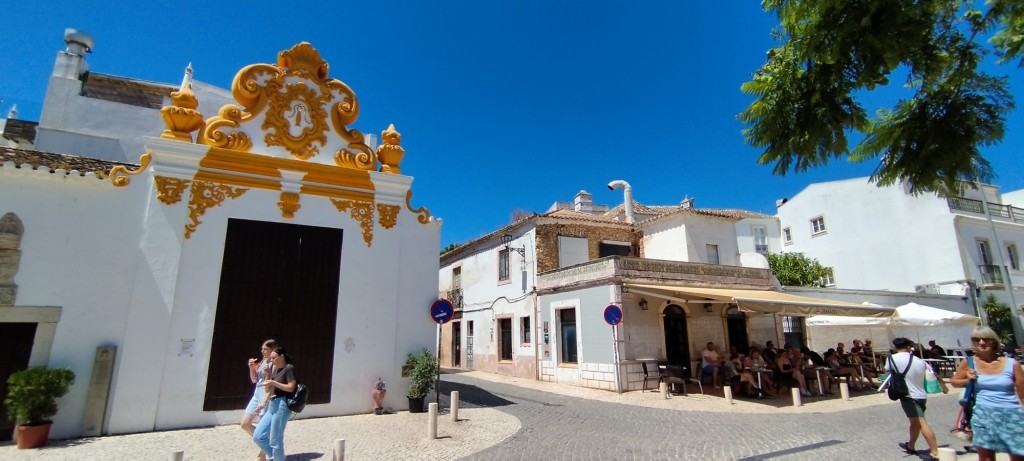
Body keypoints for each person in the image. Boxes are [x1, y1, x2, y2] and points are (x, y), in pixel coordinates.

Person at [950, 326, 1024, 460]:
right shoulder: (969, 362)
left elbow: (1023, 395)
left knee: (1018, 456)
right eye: (977, 340)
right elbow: (954, 381)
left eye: (986, 339)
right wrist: (967, 379)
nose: (982, 343)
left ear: (994, 341)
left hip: (1011, 415)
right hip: (983, 415)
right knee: (986, 458)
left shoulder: (1012, 364)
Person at [887, 337, 949, 461]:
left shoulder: (892, 359)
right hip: (921, 395)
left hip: (909, 396)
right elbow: (933, 373)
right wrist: (944, 386)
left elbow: (886, 370)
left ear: (895, 347)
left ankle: (935, 452)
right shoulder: (919, 360)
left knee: (921, 422)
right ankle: (911, 445)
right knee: (915, 422)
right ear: (909, 347)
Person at [253, 346, 297, 461]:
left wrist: (274, 382)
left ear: (281, 356)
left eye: (273, 358)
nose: (271, 360)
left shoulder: (288, 368)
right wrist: (263, 403)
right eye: (271, 358)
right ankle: (278, 457)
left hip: (282, 405)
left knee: (275, 440)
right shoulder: (275, 370)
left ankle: (278, 458)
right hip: (272, 405)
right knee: (258, 436)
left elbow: (291, 387)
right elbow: (269, 390)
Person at [242, 339, 276, 461]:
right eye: (262, 349)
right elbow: (254, 380)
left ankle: (262, 455)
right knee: (245, 424)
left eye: (265, 349)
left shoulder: (274, 363)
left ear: (272, 349)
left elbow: (270, 382)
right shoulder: (262, 361)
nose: (262, 351)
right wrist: (251, 368)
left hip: (266, 394)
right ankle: (265, 443)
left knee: (263, 425)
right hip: (257, 393)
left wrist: (265, 399)